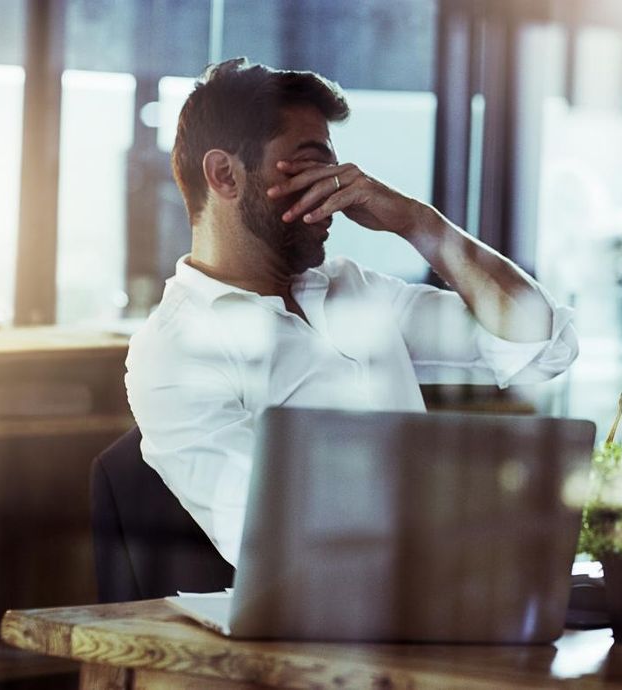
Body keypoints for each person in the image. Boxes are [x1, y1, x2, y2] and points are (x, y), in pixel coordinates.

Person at [125, 58, 578, 567]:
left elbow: (542, 344)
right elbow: (271, 539)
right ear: (225, 174)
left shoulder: (354, 289)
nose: (339, 183)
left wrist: (417, 222)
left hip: (443, 588)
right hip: (324, 628)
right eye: (310, 162)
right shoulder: (173, 350)